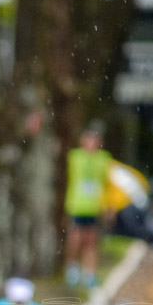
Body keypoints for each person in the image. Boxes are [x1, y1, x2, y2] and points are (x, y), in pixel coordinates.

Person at [64, 124, 112, 289]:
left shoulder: (103, 159)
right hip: (77, 205)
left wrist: (108, 206)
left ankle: (89, 273)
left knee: (91, 241)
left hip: (94, 206)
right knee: (75, 239)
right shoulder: (76, 157)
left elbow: (107, 183)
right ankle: (73, 269)